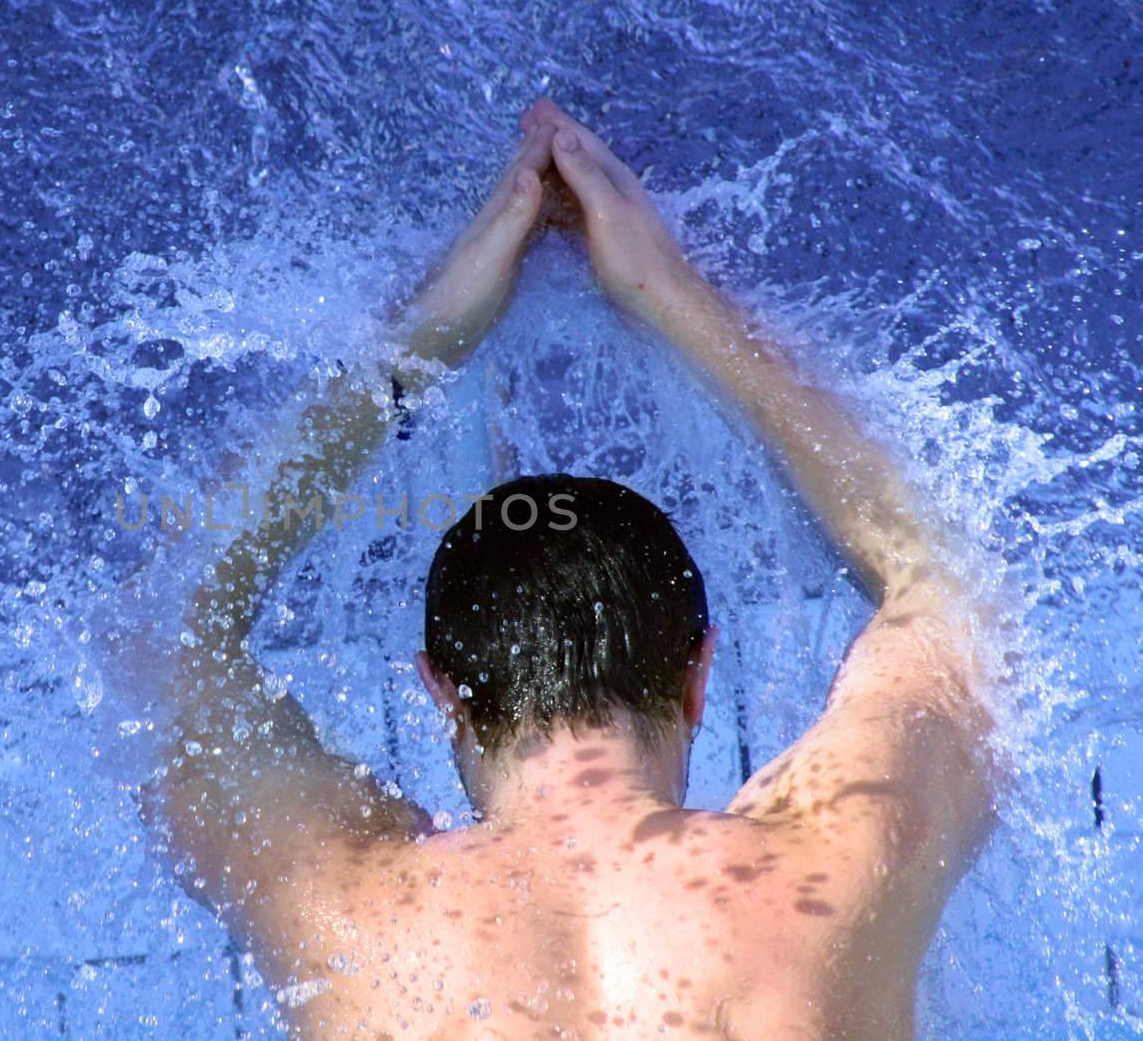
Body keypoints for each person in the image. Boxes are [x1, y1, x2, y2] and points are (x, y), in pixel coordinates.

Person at [114, 98, 1001, 1038]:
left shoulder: (340, 908)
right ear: (700, 673)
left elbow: (158, 633)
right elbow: (953, 585)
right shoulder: (830, 871)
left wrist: (421, 339)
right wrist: (672, 293)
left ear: (445, 693)